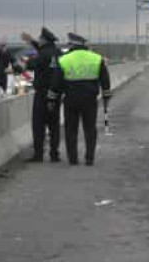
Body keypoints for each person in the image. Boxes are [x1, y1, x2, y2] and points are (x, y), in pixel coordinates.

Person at [47, 33, 110, 166]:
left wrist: (51, 98)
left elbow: (56, 82)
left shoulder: (64, 59)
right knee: (90, 129)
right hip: (90, 99)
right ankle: (89, 158)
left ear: (72, 45)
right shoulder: (97, 58)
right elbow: (105, 80)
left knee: (70, 129)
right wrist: (106, 96)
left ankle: (73, 159)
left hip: (71, 99)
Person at [22, 28, 61, 162]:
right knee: (54, 124)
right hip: (55, 93)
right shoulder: (58, 52)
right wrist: (32, 41)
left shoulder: (42, 54)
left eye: (39, 38)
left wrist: (26, 61)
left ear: (44, 40)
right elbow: (44, 51)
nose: (38, 40)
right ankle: (54, 154)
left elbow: (32, 64)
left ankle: (38, 155)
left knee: (39, 124)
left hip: (42, 94)